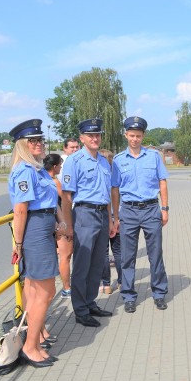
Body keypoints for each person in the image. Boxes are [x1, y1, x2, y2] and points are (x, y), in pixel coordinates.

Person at [8, 119, 70, 367]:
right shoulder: (24, 170)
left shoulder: (38, 170)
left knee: (37, 290)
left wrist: (59, 221)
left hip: (44, 228)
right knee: (45, 291)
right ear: (22, 145)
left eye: (40, 139)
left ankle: (35, 338)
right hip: (33, 231)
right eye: (32, 141)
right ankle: (30, 347)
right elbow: (21, 211)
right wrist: (19, 245)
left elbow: (50, 201)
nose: (38, 144)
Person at [111, 116, 169, 313]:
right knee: (127, 256)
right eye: (131, 135)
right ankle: (128, 296)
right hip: (128, 211)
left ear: (143, 135)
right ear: (126, 135)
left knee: (155, 254)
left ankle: (159, 293)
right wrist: (116, 216)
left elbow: (162, 182)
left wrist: (165, 208)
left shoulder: (153, 157)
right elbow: (115, 189)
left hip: (151, 209)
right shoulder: (118, 160)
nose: (135, 139)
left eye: (138, 135)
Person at [61, 119, 115, 327]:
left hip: (102, 214)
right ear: (82, 138)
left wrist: (110, 219)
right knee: (82, 264)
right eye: (90, 135)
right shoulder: (74, 161)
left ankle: (90, 301)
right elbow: (67, 196)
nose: (95, 138)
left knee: (97, 263)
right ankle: (80, 310)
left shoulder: (103, 161)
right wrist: (68, 224)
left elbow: (108, 193)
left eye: (98, 135)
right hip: (84, 213)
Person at [43, 154, 73, 298]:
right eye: (60, 165)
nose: (61, 167)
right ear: (55, 166)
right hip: (59, 222)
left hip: (47, 222)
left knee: (58, 256)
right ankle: (67, 288)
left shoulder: (41, 179)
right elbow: (66, 199)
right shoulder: (54, 181)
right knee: (65, 256)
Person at [99, 149, 121, 294]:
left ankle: (106, 284)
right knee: (119, 251)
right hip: (119, 216)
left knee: (103, 253)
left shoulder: (101, 178)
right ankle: (122, 281)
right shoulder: (118, 177)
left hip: (103, 216)